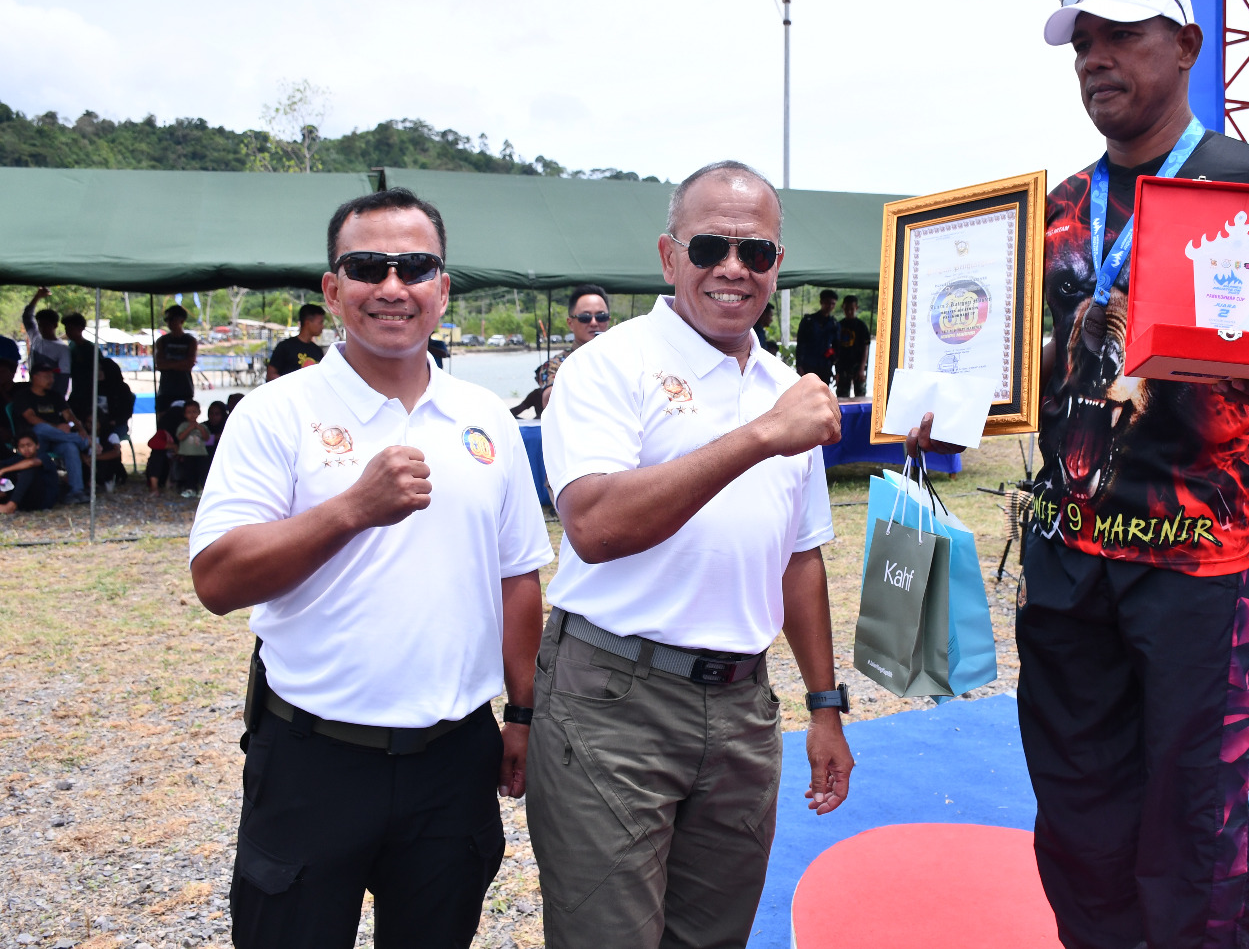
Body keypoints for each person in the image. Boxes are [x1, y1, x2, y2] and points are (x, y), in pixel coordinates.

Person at [1022, 0, 1249, 949]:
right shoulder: (1057, 207)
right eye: (1083, 45)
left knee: (1192, 811)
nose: (1095, 60)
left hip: (1193, 560)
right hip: (1066, 552)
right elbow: (1033, 362)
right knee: (1076, 804)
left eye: (1121, 37)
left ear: (1184, 47)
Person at [189, 187, 553, 949]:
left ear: (442, 290)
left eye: (414, 267)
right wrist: (351, 508)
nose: (392, 286)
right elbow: (217, 580)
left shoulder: (485, 417)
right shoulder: (277, 412)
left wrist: (521, 714)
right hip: (314, 756)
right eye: (366, 268)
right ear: (333, 289)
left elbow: (518, 577)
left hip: (453, 760)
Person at [532, 160, 852, 949]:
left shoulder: (784, 386)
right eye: (710, 247)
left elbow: (799, 558)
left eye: (756, 251)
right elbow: (594, 527)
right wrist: (760, 436)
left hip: (741, 705)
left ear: (778, 264)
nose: (733, 268)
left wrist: (824, 705)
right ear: (669, 256)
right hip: (616, 697)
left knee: (713, 936)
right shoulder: (609, 365)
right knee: (606, 936)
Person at [509, 285, 610, 419]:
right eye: (585, 317)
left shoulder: (623, 360)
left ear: (608, 320)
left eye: (601, 316)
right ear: (570, 323)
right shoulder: (556, 364)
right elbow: (549, 400)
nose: (594, 323)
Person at [16, 360, 91, 505]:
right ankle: (83, 441)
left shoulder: (55, 396)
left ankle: (76, 491)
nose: (51, 380)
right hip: (36, 441)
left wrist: (80, 429)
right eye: (47, 376)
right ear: (35, 377)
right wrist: (57, 428)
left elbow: (68, 415)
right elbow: (30, 417)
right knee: (40, 428)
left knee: (70, 447)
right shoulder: (24, 395)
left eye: (52, 376)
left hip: (58, 440)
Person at [23, 288, 72, 398]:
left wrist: (57, 401)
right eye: (40, 325)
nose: (42, 329)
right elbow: (27, 317)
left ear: (55, 325)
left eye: (46, 325)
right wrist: (37, 297)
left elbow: (63, 378)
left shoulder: (62, 349)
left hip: (51, 396)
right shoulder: (36, 339)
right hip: (33, 392)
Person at [154, 304, 198, 419]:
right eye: (167, 319)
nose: (169, 322)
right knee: (163, 421)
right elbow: (159, 364)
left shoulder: (190, 341)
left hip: (184, 389)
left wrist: (168, 364)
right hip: (165, 390)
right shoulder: (162, 341)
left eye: (172, 319)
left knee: (186, 421)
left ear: (181, 320)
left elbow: (189, 364)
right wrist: (181, 363)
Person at [266, 303, 326, 380]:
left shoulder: (317, 351)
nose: (323, 326)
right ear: (307, 323)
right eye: (320, 322)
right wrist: (290, 385)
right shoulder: (285, 347)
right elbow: (270, 375)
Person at [61, 312, 99, 421]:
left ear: (80, 329)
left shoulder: (90, 348)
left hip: (90, 393)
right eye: (66, 329)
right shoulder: (71, 346)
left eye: (70, 329)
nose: (68, 332)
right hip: (76, 390)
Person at [793, 289, 838, 382]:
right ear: (821, 302)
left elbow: (836, 346)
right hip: (808, 364)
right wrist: (799, 365)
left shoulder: (834, 324)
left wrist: (835, 366)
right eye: (827, 302)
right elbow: (800, 344)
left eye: (833, 304)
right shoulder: (808, 321)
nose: (830, 306)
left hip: (825, 365)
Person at [833, 295, 871, 399]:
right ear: (843, 308)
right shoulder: (839, 325)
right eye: (846, 309)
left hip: (857, 364)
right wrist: (837, 371)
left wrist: (862, 368)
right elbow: (835, 349)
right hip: (843, 365)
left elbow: (866, 348)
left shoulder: (861, 326)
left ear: (856, 308)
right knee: (842, 395)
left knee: (860, 394)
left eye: (852, 309)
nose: (849, 312)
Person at [174, 399, 212, 498]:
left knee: (202, 472)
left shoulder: (202, 426)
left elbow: (207, 438)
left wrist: (201, 429)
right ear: (185, 414)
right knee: (189, 472)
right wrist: (189, 429)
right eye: (189, 412)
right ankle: (190, 489)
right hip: (187, 455)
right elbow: (180, 437)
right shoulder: (183, 426)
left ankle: (202, 489)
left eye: (194, 412)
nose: (192, 415)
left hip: (201, 454)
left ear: (199, 412)